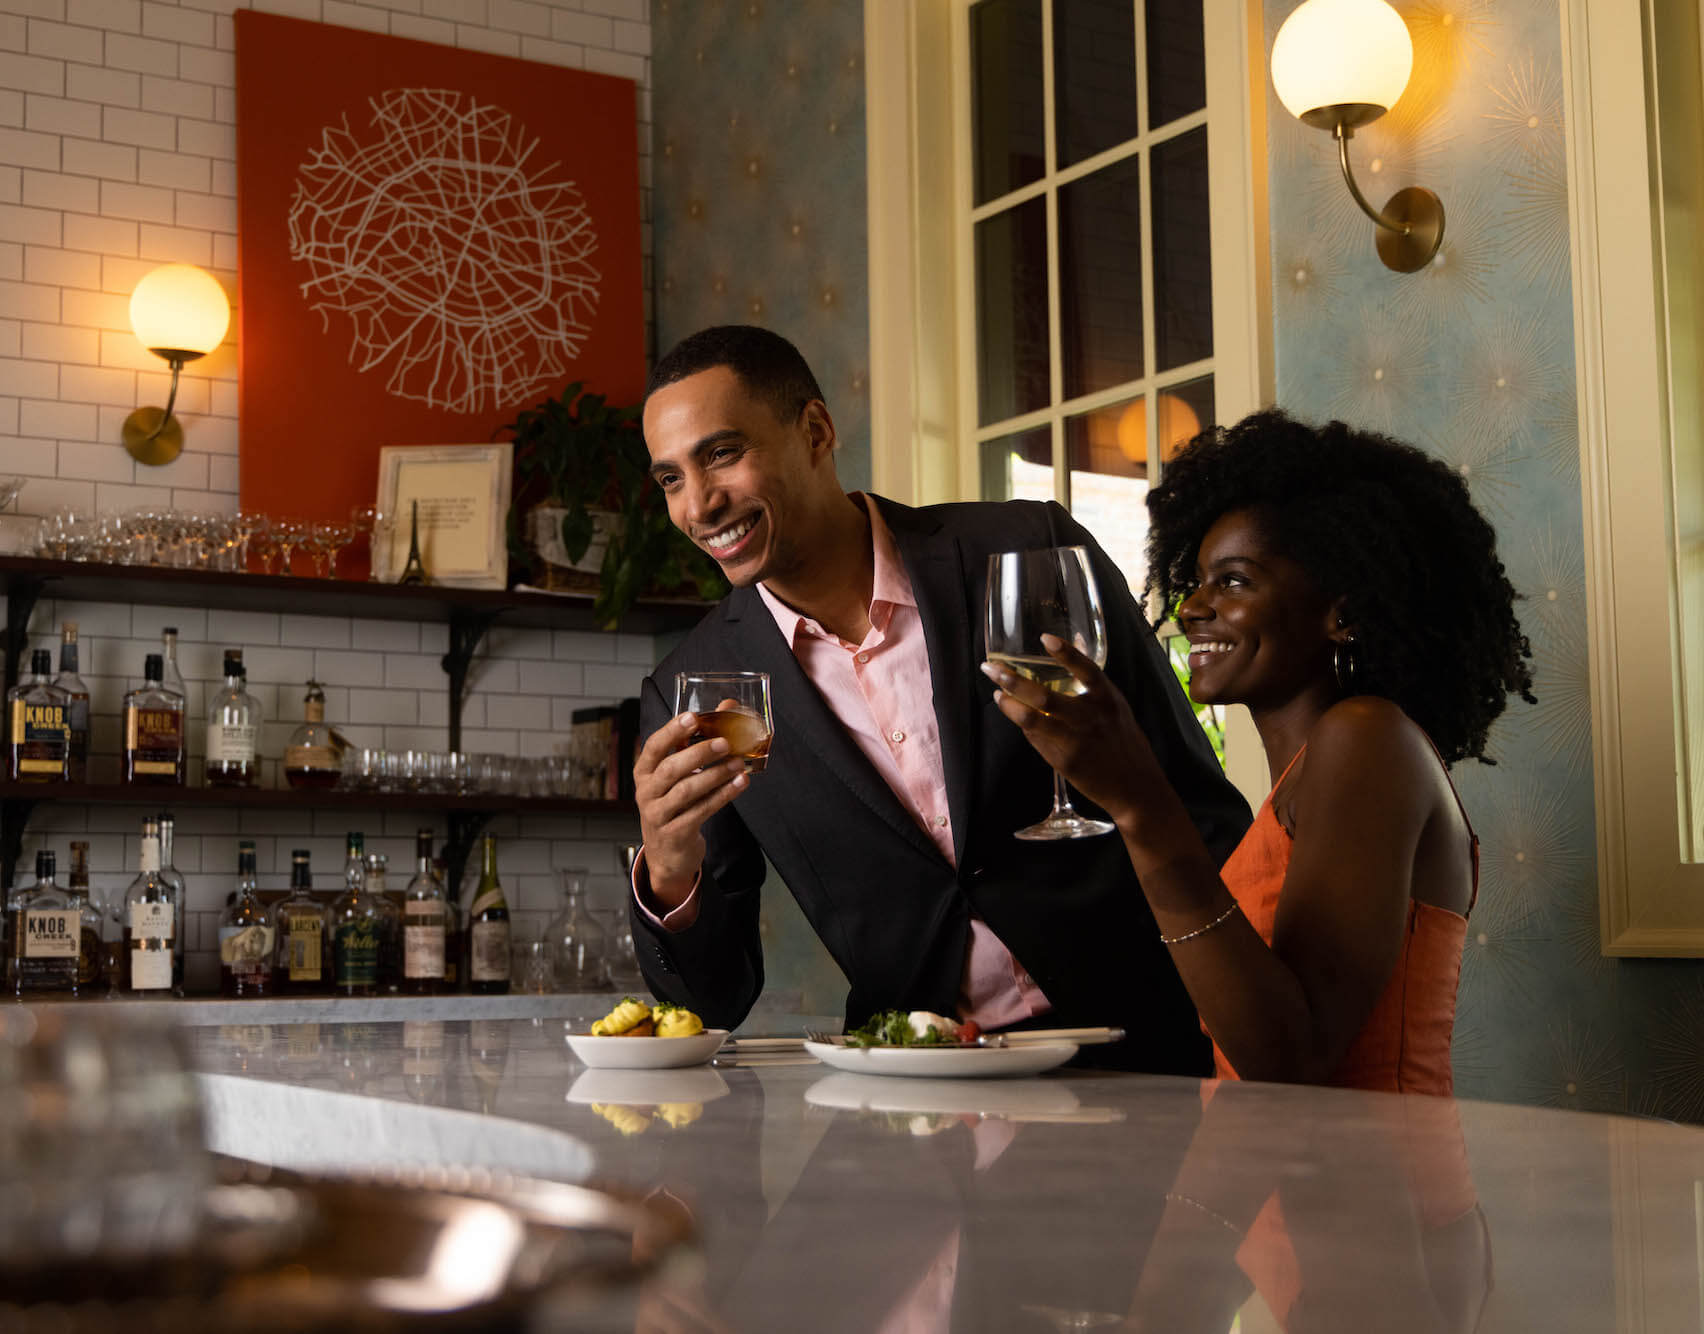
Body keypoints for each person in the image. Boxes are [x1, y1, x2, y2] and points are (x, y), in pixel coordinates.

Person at [628, 325, 1251, 1075]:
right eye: (671, 479)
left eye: (723, 454)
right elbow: (711, 1005)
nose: (699, 505)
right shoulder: (695, 685)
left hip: (1143, 1057)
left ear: (816, 431)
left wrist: (1258, 1034)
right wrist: (669, 872)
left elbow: (1195, 802)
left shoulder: (1026, 550)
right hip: (909, 1091)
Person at [985, 409, 1535, 1091]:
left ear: (1343, 614)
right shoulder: (1310, 772)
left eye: (1234, 580)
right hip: (1270, 1156)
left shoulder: (1368, 737)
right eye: (1198, 580)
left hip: (1373, 1162)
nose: (1191, 608)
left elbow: (1291, 1060)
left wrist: (1140, 803)